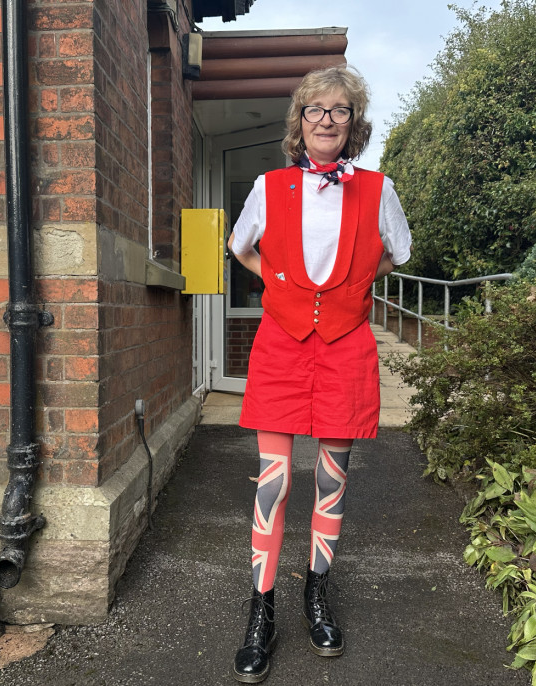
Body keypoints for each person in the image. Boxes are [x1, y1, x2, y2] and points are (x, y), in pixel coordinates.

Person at [227, 65, 412, 683]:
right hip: (281, 347)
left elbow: (395, 252)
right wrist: (278, 282)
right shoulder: (269, 184)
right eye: (316, 109)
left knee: (331, 483)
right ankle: (262, 611)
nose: (327, 118)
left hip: (343, 346)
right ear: (299, 121)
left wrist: (353, 287)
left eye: (339, 109)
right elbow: (240, 246)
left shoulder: (378, 188)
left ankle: (317, 594)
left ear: (353, 122)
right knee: (273, 486)